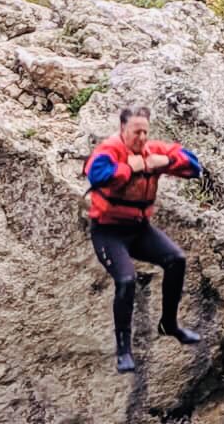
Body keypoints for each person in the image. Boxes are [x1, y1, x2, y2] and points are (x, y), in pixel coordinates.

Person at [84, 106, 203, 374]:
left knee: (176, 260)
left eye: (145, 132)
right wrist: (129, 168)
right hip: (108, 231)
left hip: (139, 229)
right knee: (126, 281)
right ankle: (124, 350)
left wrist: (166, 162)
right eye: (136, 132)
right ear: (123, 130)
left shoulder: (152, 150)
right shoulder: (109, 151)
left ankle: (169, 325)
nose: (141, 137)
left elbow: (194, 165)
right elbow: (96, 175)